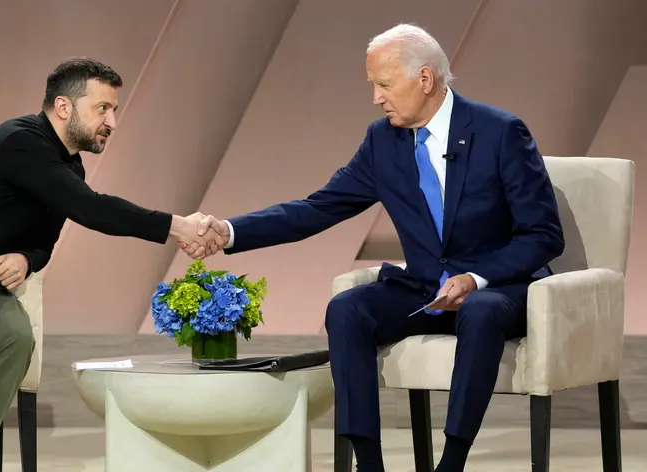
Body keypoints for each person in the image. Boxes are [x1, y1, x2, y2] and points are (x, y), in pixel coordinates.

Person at [182, 23, 564, 472]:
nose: (376, 98)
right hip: (426, 289)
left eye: (384, 85)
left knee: (479, 309)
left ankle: (452, 462)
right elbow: (318, 208)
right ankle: (368, 462)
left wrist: (475, 278)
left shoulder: (499, 132)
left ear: (424, 79)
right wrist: (229, 231)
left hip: (500, 290)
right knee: (347, 309)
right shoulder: (383, 141)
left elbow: (543, 235)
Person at [0, 57, 222, 472]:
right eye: (103, 108)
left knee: (15, 341)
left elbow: (45, 243)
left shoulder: (69, 165)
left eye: (113, 110)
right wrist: (177, 226)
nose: (112, 122)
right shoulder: (20, 140)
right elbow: (93, 210)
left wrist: (26, 258)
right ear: (64, 107)